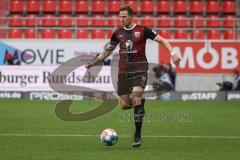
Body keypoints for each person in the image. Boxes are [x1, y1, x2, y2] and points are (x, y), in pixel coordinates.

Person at [85, 6, 181, 147]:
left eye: (124, 17)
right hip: (124, 71)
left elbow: (163, 40)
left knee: (136, 95)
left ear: (131, 16)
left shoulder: (143, 30)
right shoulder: (117, 33)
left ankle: (137, 135)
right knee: (123, 105)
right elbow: (107, 51)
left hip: (140, 69)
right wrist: (93, 62)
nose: (121, 19)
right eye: (120, 17)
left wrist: (173, 54)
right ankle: (140, 105)